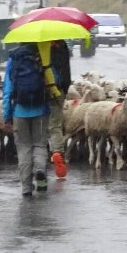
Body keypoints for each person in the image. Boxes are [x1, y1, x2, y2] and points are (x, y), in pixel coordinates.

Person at [2, 43, 51, 197]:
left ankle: (26, 188)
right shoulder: (42, 56)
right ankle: (40, 170)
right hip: (41, 109)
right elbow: (52, 81)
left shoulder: (13, 59)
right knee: (40, 144)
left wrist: (7, 114)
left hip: (19, 111)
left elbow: (7, 90)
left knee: (23, 148)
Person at [47, 39, 71, 178]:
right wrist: (64, 91)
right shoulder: (62, 45)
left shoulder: (37, 44)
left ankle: (39, 153)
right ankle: (57, 152)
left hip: (39, 90)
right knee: (55, 124)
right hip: (58, 90)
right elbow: (66, 71)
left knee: (39, 122)